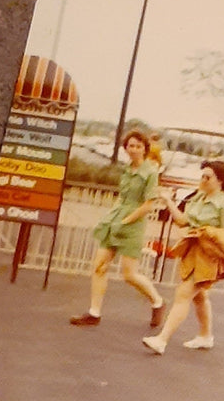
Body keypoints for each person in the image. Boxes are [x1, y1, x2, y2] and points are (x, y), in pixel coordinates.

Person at [70, 130, 165, 329]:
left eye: (138, 146)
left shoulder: (150, 172)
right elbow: (122, 197)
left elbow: (149, 204)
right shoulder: (127, 169)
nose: (134, 150)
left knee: (129, 274)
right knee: (99, 266)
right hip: (116, 220)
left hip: (133, 224)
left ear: (145, 149)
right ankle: (94, 312)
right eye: (130, 146)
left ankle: (158, 302)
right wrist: (112, 217)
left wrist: (127, 220)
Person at [142, 160, 224, 356]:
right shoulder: (198, 198)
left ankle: (162, 340)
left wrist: (206, 233)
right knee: (199, 296)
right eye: (202, 176)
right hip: (192, 252)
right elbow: (182, 221)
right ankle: (205, 336)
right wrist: (168, 201)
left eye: (207, 177)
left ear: (220, 181)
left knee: (183, 295)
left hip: (209, 256)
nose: (203, 180)